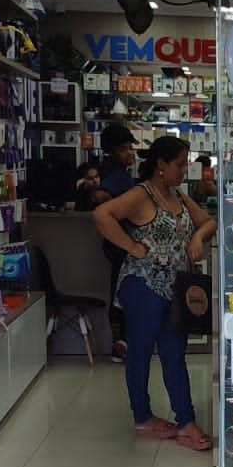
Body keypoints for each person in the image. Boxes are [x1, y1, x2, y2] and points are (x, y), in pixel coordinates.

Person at [93, 136, 218, 450]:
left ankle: (186, 421)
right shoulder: (141, 194)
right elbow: (101, 215)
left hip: (173, 287)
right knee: (141, 350)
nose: (183, 169)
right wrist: (132, 247)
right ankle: (143, 416)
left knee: (175, 353)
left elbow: (208, 222)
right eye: (179, 164)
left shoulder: (177, 195)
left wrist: (197, 238)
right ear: (160, 164)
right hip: (143, 284)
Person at [93, 124, 139, 359]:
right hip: (120, 244)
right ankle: (122, 343)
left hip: (117, 243)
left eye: (131, 148)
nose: (130, 153)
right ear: (112, 151)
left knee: (122, 290)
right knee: (123, 292)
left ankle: (123, 341)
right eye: (124, 149)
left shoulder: (113, 170)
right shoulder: (115, 173)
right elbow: (100, 196)